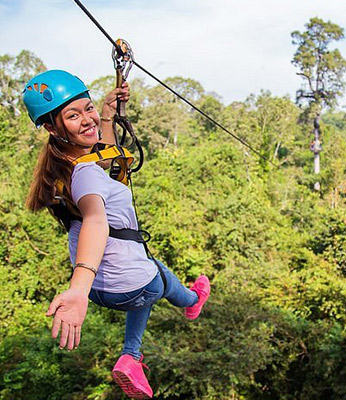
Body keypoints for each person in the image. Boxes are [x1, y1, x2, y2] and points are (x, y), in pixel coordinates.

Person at [23, 69, 211, 399]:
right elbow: (96, 221)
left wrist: (108, 117)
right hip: (109, 287)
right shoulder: (84, 174)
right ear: (52, 127)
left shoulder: (66, 165)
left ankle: (132, 355)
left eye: (88, 107)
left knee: (145, 272)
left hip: (100, 291)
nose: (87, 119)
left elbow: (101, 161)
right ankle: (193, 303)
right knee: (158, 280)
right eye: (73, 115)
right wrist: (77, 289)